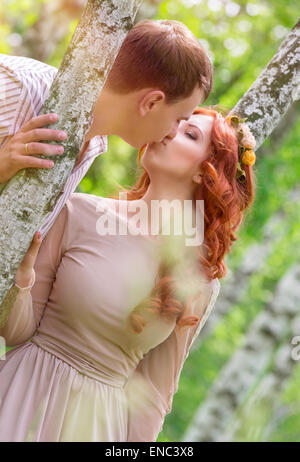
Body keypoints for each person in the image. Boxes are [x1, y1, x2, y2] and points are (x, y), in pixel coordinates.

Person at [0, 106, 257, 441]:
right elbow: (17, 332)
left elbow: (152, 395)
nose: (169, 130)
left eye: (189, 134)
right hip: (21, 394)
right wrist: (21, 281)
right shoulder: (78, 212)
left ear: (204, 174)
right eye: (176, 122)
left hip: (96, 429)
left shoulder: (199, 278)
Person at [0, 18, 212, 239]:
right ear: (151, 103)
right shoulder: (19, 87)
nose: (173, 132)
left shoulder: (93, 144)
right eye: (178, 119)